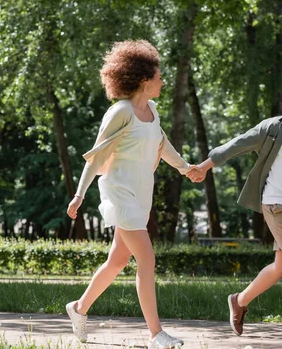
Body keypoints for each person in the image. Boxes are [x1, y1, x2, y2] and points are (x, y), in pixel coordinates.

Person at [188, 78, 282, 343]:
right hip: (276, 203)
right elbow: (237, 144)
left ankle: (239, 300)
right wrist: (204, 166)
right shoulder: (274, 127)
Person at [66, 40, 193, 349]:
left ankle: (78, 308)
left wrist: (187, 168)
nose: (163, 81)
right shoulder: (120, 112)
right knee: (146, 258)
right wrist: (79, 194)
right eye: (159, 77)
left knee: (117, 260)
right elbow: (96, 156)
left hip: (141, 192)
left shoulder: (152, 110)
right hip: (119, 191)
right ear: (143, 80)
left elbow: (162, 145)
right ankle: (156, 334)